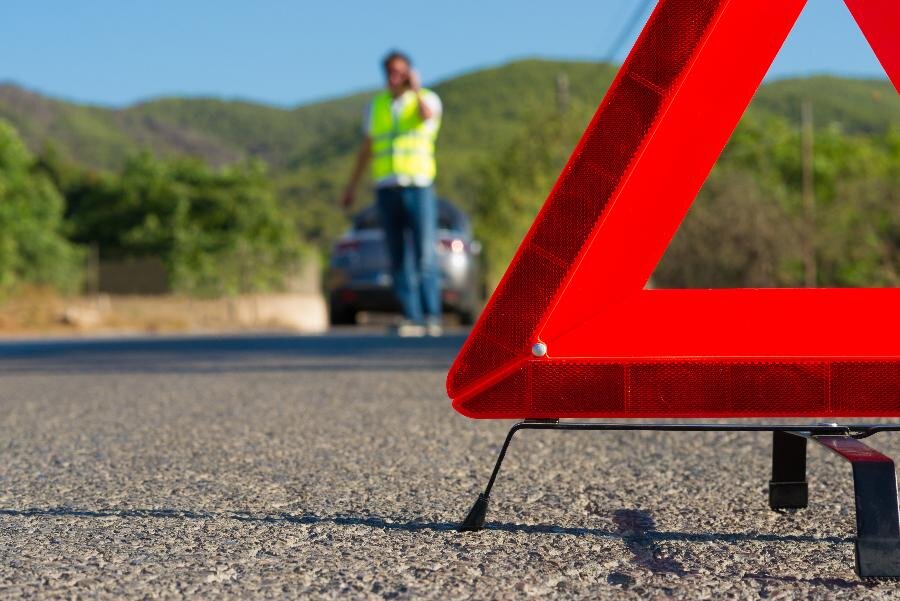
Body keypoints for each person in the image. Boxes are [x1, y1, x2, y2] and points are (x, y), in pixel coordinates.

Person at [342, 50, 443, 337]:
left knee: (424, 253)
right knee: (398, 256)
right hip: (386, 187)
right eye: (389, 72)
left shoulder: (427, 98)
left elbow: (427, 116)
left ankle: (431, 316)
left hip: (418, 184)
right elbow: (366, 149)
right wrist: (351, 186)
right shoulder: (377, 106)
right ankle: (411, 316)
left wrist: (417, 89)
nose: (393, 77)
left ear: (409, 72)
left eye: (400, 71)